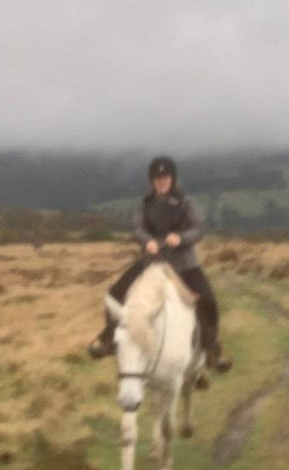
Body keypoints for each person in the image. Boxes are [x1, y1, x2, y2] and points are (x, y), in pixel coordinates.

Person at [87, 155, 232, 373]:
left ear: (172, 179)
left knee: (208, 300)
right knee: (115, 294)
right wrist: (148, 242)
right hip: (151, 263)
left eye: (165, 178)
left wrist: (180, 238)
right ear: (152, 181)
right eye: (157, 179)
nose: (161, 182)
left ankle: (212, 349)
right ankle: (109, 339)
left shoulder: (186, 202)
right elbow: (137, 228)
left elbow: (199, 229)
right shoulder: (145, 204)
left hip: (184, 265)